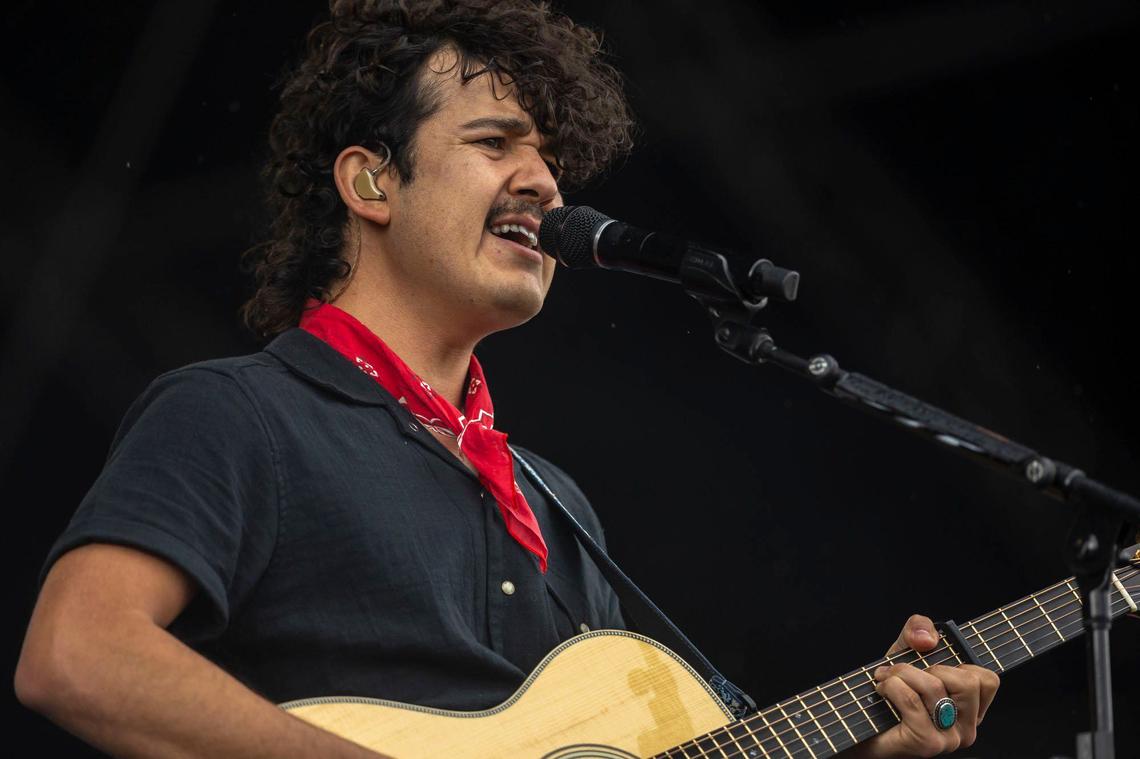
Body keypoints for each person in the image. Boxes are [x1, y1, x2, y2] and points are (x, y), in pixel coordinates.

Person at [15, 2, 998, 757]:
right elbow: (76, 655)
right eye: (494, 143)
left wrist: (869, 746)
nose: (545, 184)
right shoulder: (240, 415)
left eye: (552, 157)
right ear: (371, 183)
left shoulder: (555, 502)